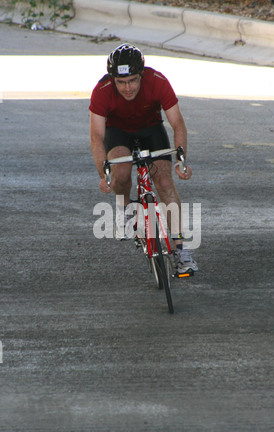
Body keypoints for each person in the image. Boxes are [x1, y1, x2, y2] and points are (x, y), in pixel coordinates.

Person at [89, 43, 198, 274]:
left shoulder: (157, 81)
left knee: (166, 184)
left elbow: (177, 123)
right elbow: (97, 137)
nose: (127, 88)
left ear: (142, 75)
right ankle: (125, 209)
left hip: (151, 129)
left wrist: (181, 161)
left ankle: (180, 250)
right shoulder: (102, 90)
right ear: (113, 79)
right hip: (118, 132)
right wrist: (103, 175)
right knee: (120, 170)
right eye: (121, 82)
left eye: (133, 81)